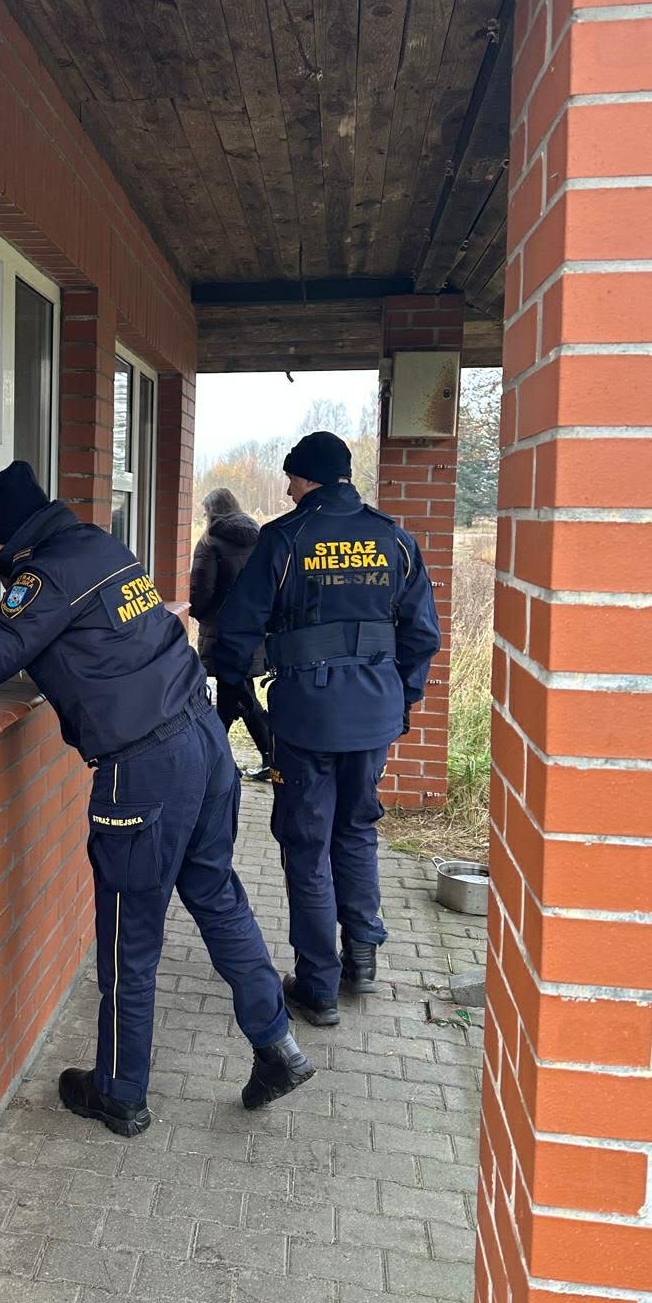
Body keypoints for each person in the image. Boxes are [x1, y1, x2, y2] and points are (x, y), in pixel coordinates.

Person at [0, 460, 314, 1136]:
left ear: (2, 539)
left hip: (144, 769)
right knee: (218, 896)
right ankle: (278, 1046)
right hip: (204, 742)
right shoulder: (98, 544)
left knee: (128, 936)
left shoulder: (43, 576)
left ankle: (119, 1092)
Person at [212, 432, 441, 1028]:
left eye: (291, 478)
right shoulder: (395, 539)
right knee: (357, 830)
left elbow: (237, 628)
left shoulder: (286, 538)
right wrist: (402, 699)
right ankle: (361, 957)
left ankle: (318, 985)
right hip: (375, 714)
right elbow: (422, 635)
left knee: (307, 844)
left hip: (307, 718)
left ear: (308, 477)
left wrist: (231, 683)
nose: (288, 489)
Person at [189, 488, 271, 781]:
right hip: (253, 631)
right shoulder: (260, 538)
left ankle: (220, 761)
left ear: (211, 511)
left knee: (240, 697)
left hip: (222, 633)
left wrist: (199, 614)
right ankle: (226, 760)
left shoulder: (210, 541)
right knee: (235, 696)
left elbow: (201, 591)